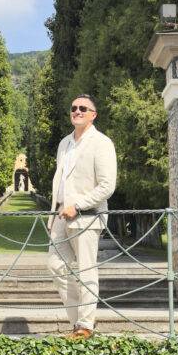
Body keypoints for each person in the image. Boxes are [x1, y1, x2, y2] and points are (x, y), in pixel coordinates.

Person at [47, 94, 117, 339]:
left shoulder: (102, 143)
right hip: (61, 217)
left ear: (93, 114)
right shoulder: (64, 143)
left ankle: (85, 325)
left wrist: (77, 205)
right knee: (56, 267)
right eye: (74, 107)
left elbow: (107, 186)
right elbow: (61, 182)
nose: (77, 111)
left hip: (87, 216)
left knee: (87, 271)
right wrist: (53, 215)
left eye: (83, 108)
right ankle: (77, 321)